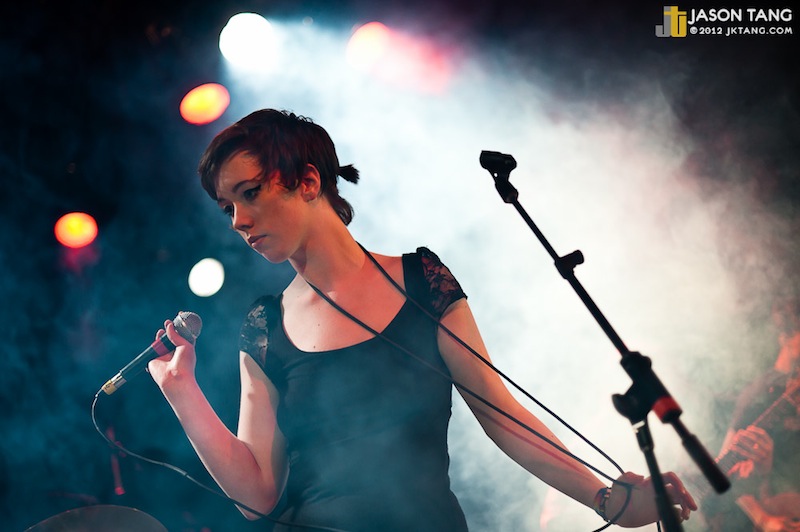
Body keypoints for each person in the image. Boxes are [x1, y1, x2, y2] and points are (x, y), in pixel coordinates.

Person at [146, 109, 696, 531]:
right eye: (227, 207)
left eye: (250, 193)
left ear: (307, 181)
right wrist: (182, 393)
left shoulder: (422, 280)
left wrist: (605, 498)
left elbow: (501, 414)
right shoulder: (265, 324)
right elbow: (257, 497)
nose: (238, 221)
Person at [707, 298, 800, 532]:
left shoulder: (793, 389)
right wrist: (763, 519)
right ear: (786, 336)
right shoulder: (759, 393)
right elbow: (723, 473)